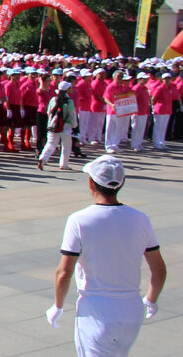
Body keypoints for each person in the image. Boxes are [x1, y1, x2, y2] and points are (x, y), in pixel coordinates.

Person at [48, 155, 166, 356]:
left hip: (97, 311)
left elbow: (64, 272)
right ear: (122, 182)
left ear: (91, 183)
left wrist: (57, 306)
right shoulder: (140, 218)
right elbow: (159, 269)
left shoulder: (79, 220)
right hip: (132, 310)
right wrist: (151, 299)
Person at [39, 81, 78, 171]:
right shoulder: (69, 101)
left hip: (53, 125)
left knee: (51, 144)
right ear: (67, 90)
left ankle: (43, 159)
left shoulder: (53, 99)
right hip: (66, 126)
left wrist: (50, 123)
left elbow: (49, 112)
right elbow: (72, 114)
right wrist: (75, 125)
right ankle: (64, 164)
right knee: (66, 145)